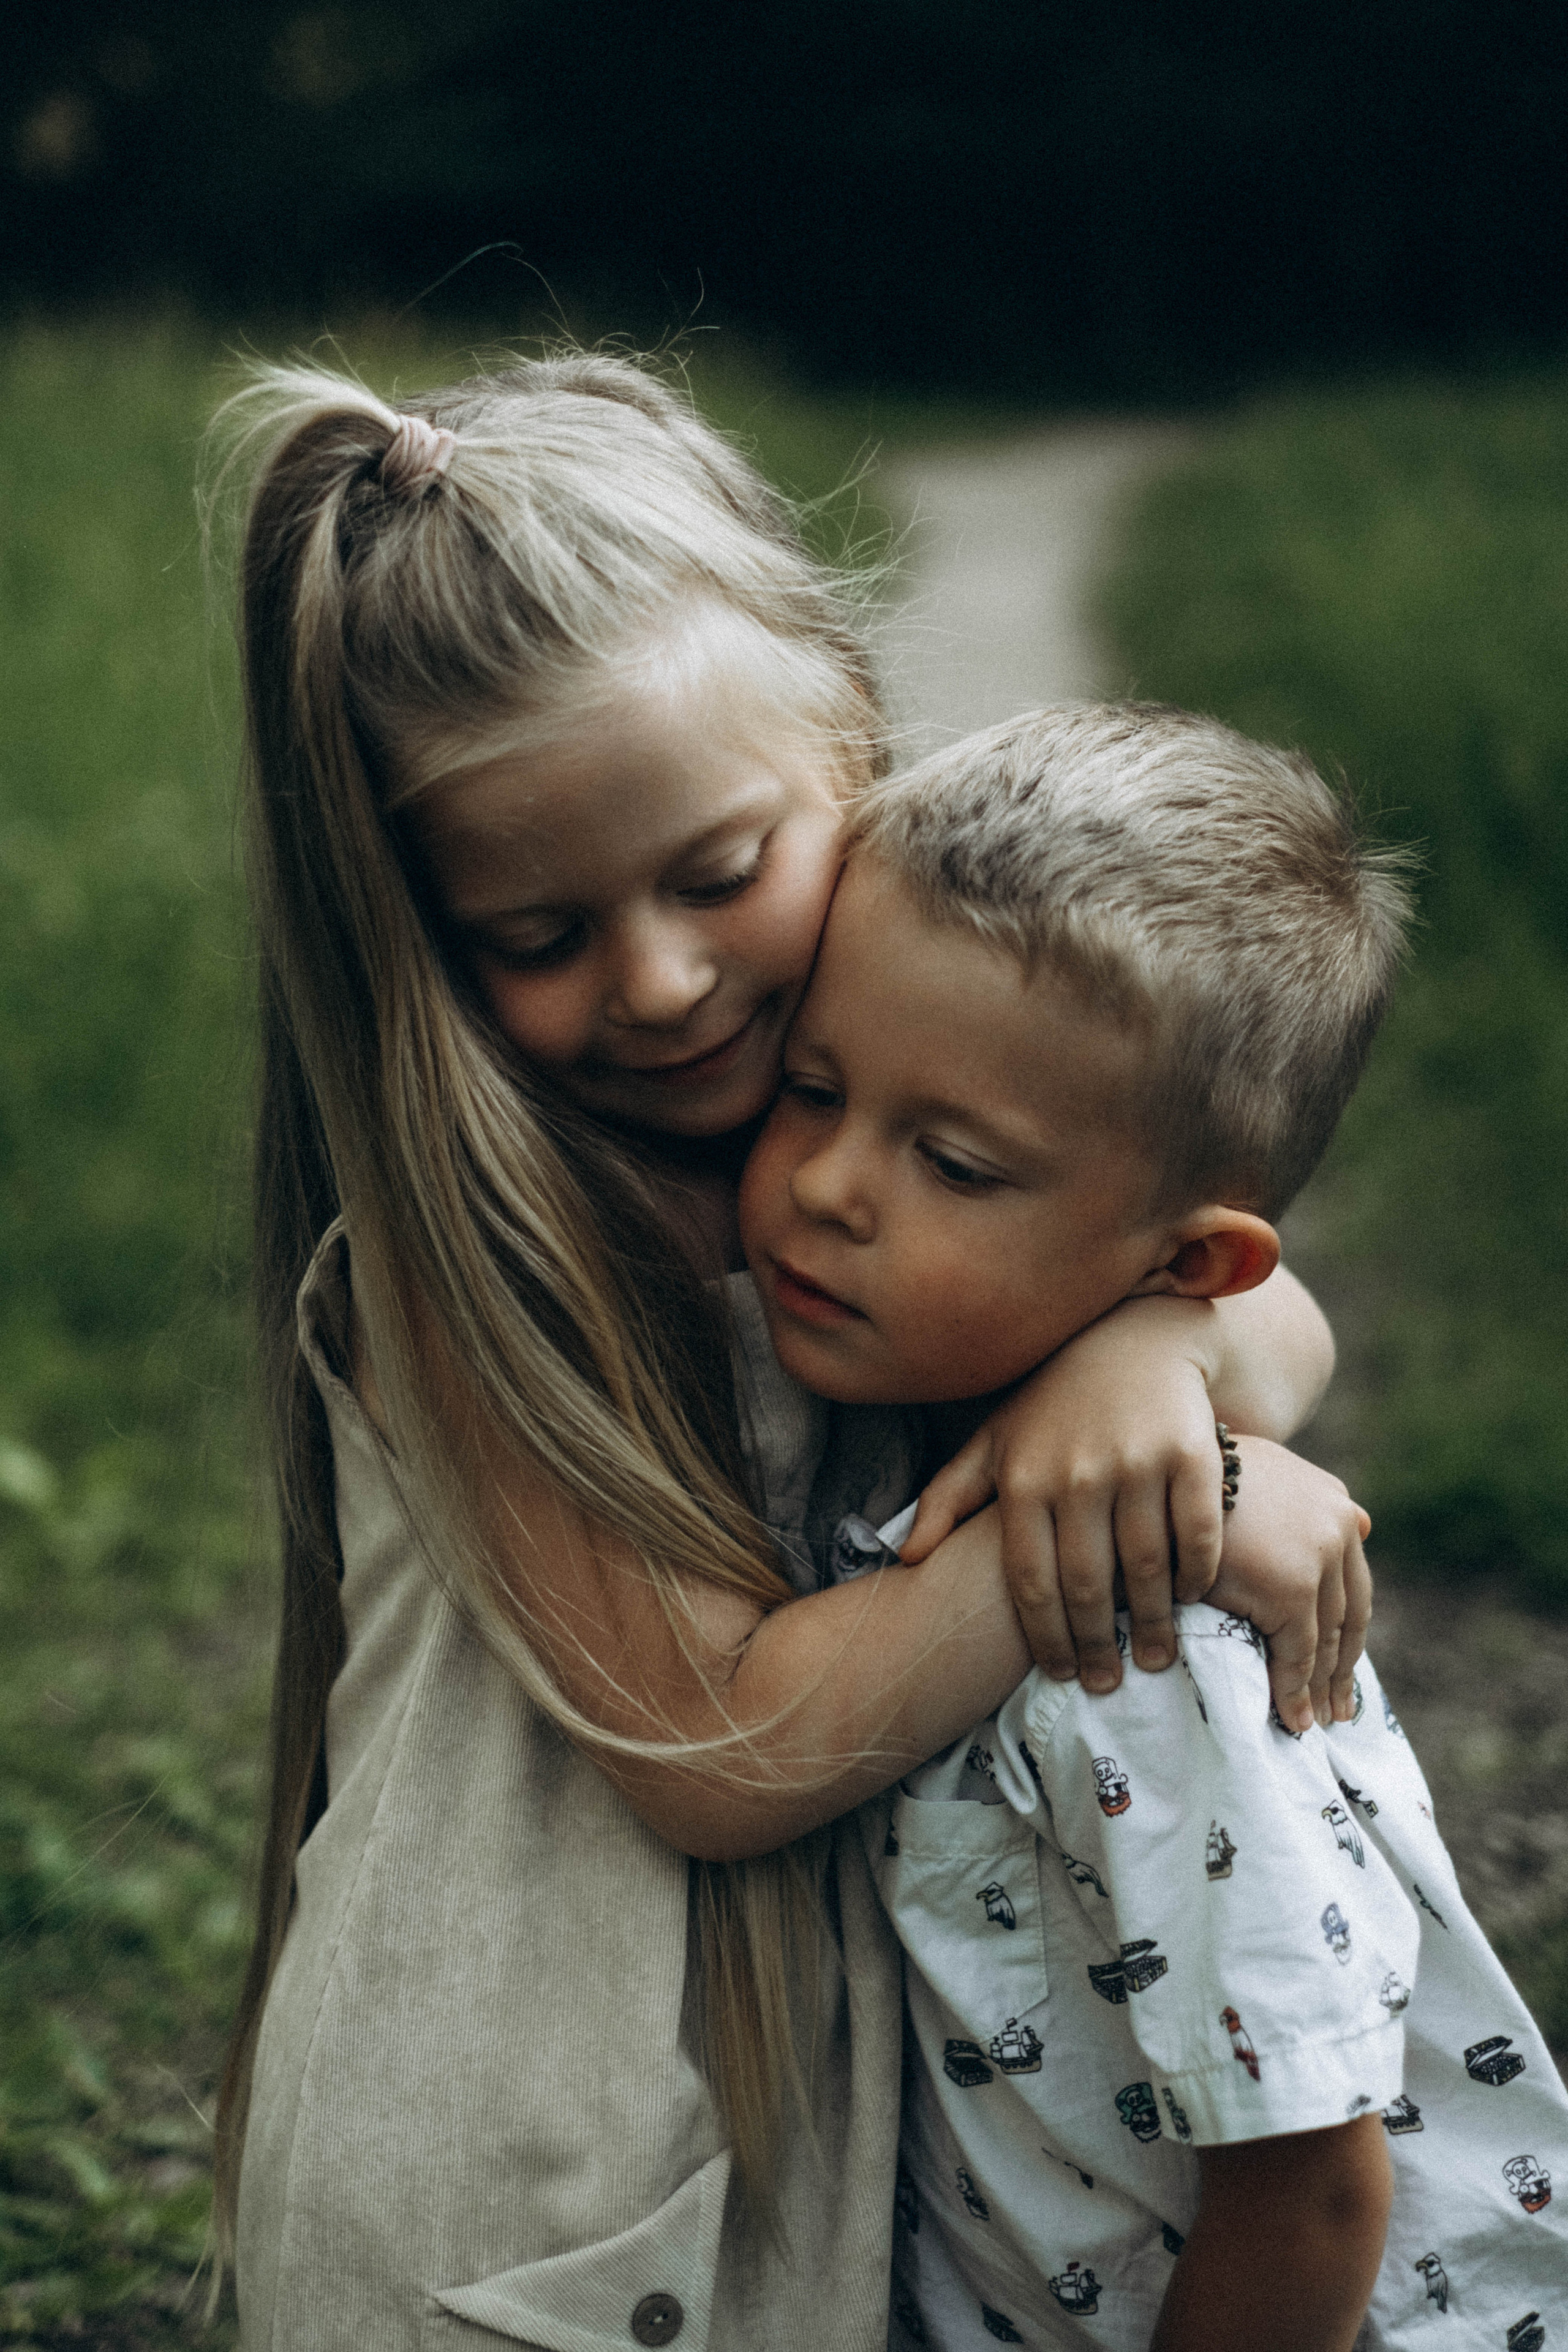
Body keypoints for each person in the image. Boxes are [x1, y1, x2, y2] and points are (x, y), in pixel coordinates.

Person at [209, 353, 1368, 2351]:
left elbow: (1266, 1302)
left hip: (776, 2181)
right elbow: (722, 1750)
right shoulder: (475, 1260)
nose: (659, 984)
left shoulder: (844, 1139)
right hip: (506, 2219)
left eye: (721, 875)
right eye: (535, 935)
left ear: (860, 746)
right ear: (410, 931)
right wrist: (1101, 1522)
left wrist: (1150, 1371)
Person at [736, 701, 1568, 2351]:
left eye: (953, 1162)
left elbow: (1316, 2194)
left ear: (1189, 1270)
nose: (830, 1185)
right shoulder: (883, 1431)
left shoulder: (1146, 1651)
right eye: (813, 1089)